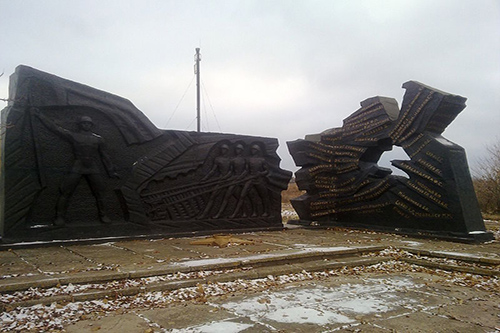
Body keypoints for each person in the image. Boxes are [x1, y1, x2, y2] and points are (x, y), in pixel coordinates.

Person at [34, 109, 119, 226]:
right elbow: (55, 129)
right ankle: (59, 217)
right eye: (84, 123)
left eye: (89, 123)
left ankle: (103, 215)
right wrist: (40, 116)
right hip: (78, 166)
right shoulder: (74, 135)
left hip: (92, 167)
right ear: (80, 124)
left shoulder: (98, 139)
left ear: (91, 125)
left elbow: (105, 156)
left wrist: (111, 171)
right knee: (66, 192)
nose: (86, 125)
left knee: (100, 192)